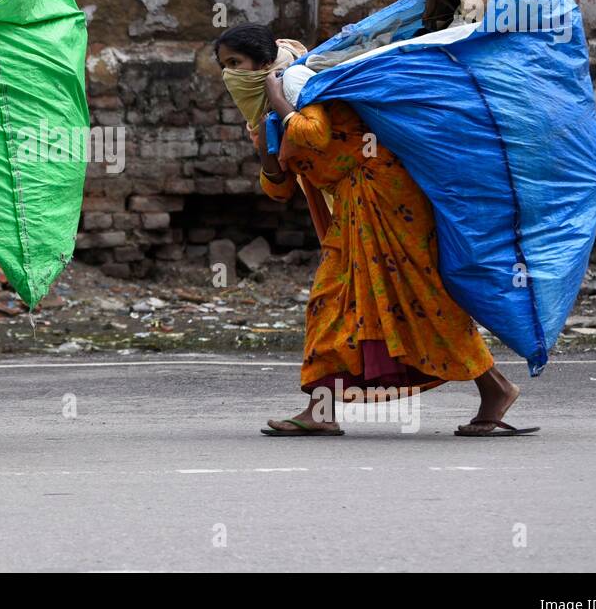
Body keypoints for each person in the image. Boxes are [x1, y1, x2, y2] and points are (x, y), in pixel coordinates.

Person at [214, 22, 537, 437]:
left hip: (385, 194)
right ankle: (323, 408)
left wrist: (279, 100)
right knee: (336, 302)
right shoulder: (262, 114)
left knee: (419, 295)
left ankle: (495, 387)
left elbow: (315, 133)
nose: (230, 75)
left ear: (262, 62)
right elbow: (279, 189)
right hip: (353, 205)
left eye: (236, 63)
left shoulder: (294, 80)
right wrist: (266, 151)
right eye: (224, 67)